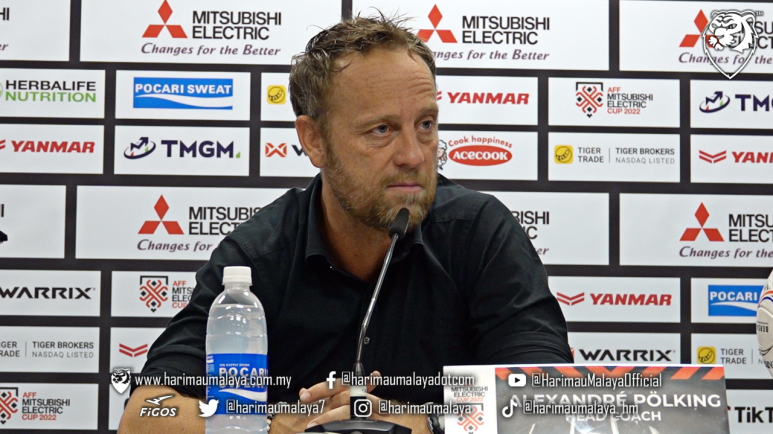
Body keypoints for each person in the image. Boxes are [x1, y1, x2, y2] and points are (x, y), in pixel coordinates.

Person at [118, 14, 572, 434]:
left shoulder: (479, 233)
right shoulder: (259, 257)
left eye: (425, 124)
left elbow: (554, 407)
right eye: (381, 130)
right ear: (314, 139)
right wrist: (274, 428)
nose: (414, 155)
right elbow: (146, 414)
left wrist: (419, 425)